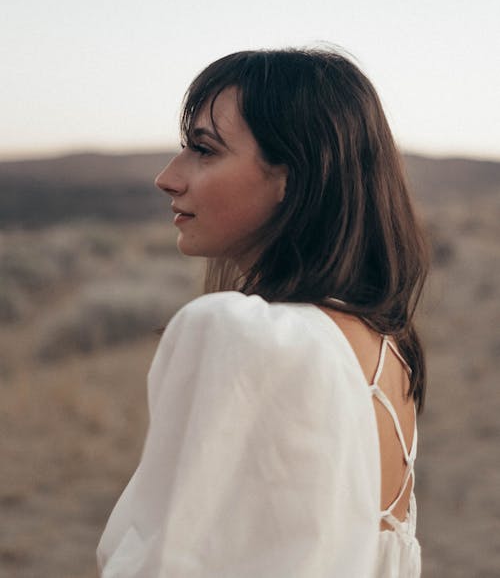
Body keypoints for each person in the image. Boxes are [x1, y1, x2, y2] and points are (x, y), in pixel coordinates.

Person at [96, 46, 429, 577]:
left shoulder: (245, 335)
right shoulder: (387, 349)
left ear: (291, 177)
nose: (168, 177)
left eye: (203, 150)